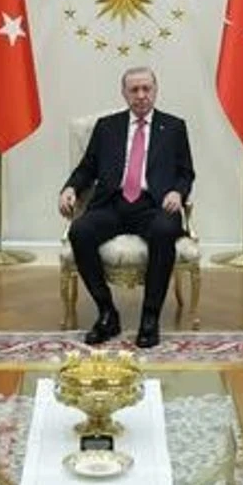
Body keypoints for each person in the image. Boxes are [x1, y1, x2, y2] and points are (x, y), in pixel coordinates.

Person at [59, 67, 195, 348]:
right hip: (113, 203)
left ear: (155, 90)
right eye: (134, 90)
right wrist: (70, 188)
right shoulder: (107, 127)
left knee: (164, 231)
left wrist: (177, 192)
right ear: (124, 93)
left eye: (146, 89)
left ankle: (150, 317)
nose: (141, 95)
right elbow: (87, 168)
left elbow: (186, 173)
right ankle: (107, 313)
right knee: (80, 231)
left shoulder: (174, 127)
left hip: (154, 205)